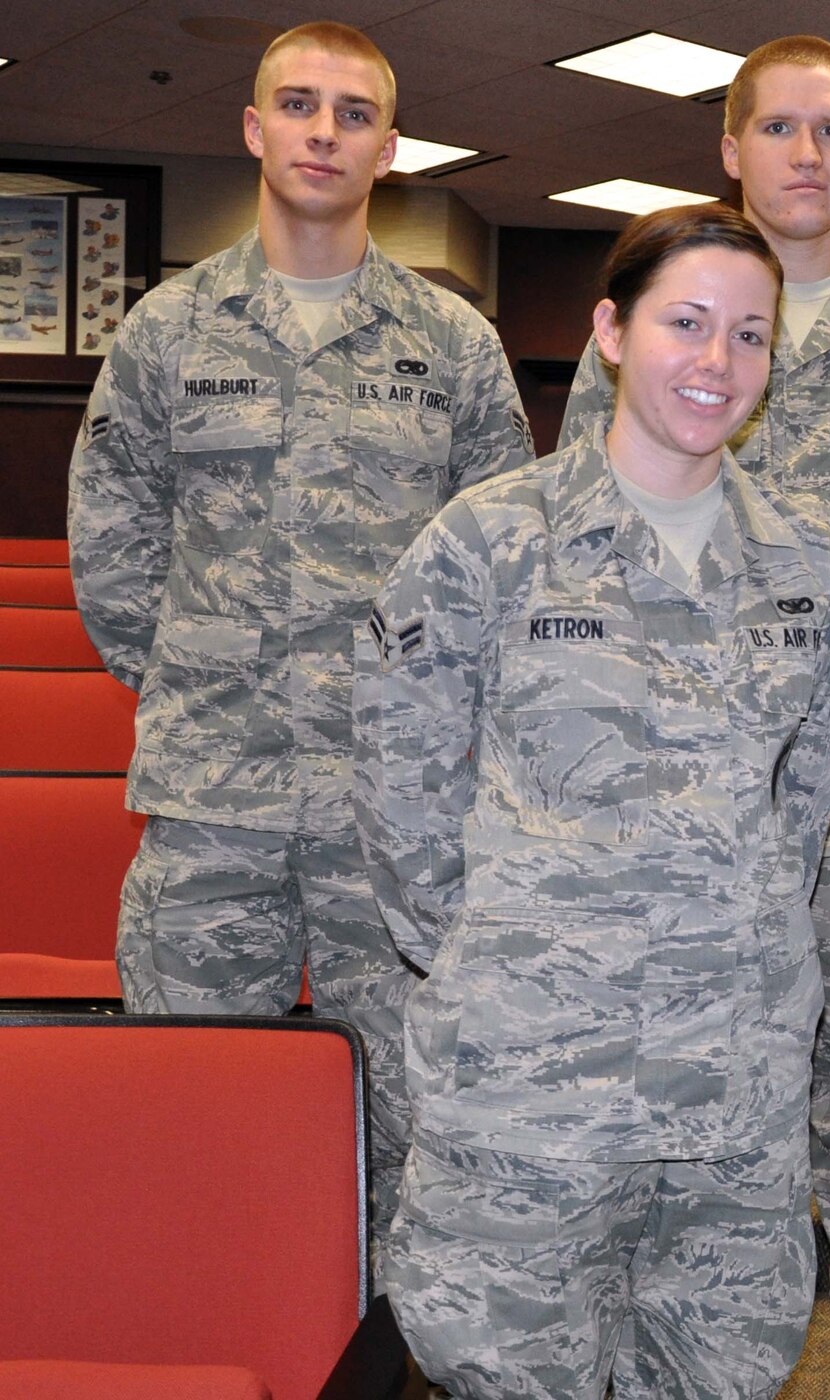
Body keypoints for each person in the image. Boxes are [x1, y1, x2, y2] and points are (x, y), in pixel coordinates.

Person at [354, 203, 830, 1398]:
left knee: (721, 1370)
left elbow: (804, 805)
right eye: (685, 323)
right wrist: (513, 952)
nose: (716, 362)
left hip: (731, 1087)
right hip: (532, 1082)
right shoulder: (487, 542)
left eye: (748, 334)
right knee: (509, 1365)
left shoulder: (806, 565)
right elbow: (399, 792)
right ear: (611, 333)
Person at [560, 39, 830, 1392]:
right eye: (779, 129)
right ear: (730, 151)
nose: (806, 154)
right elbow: (582, 553)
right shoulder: (654, 314)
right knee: (674, 1153)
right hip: (674, 830)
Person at [66, 19, 532, 1262]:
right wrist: (207, 689)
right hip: (214, 803)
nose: (324, 131)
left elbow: (503, 567)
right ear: (254, 130)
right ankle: (205, 1318)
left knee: (409, 1118)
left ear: (390, 146)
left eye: (353, 112)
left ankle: (383, 1352)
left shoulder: (453, 348)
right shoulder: (170, 330)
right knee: (189, 1103)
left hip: (398, 814)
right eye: (300, 104)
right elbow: (111, 549)